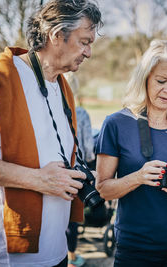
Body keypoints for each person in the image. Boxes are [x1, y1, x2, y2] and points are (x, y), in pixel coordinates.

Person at [0, 1, 102, 266]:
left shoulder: (61, 85)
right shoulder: (0, 80)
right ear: (56, 35)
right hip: (0, 257)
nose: (89, 52)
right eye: (84, 42)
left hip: (55, 251)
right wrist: (37, 179)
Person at [95, 40, 167, 266]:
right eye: (161, 81)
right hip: (135, 249)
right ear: (145, 77)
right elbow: (103, 190)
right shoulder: (116, 124)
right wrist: (138, 177)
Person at [64, 72, 95, 267]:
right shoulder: (81, 112)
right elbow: (88, 149)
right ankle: (72, 256)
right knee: (72, 216)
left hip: (54, 166)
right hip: (76, 167)